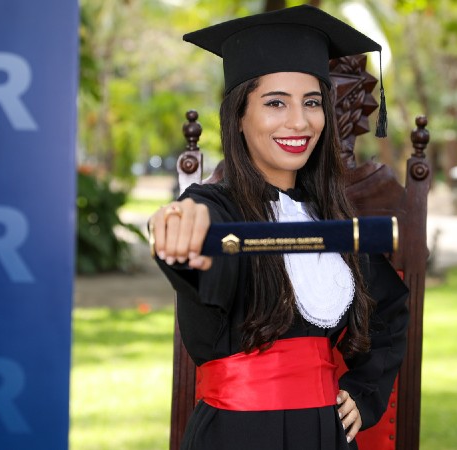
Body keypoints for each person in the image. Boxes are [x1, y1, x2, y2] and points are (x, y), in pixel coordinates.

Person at [149, 5, 409, 449]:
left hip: (326, 437)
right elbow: (195, 236)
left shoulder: (333, 221)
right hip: (238, 437)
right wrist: (176, 226)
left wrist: (363, 396)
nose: (299, 122)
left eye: (311, 103)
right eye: (275, 103)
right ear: (239, 117)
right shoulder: (216, 209)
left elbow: (390, 310)